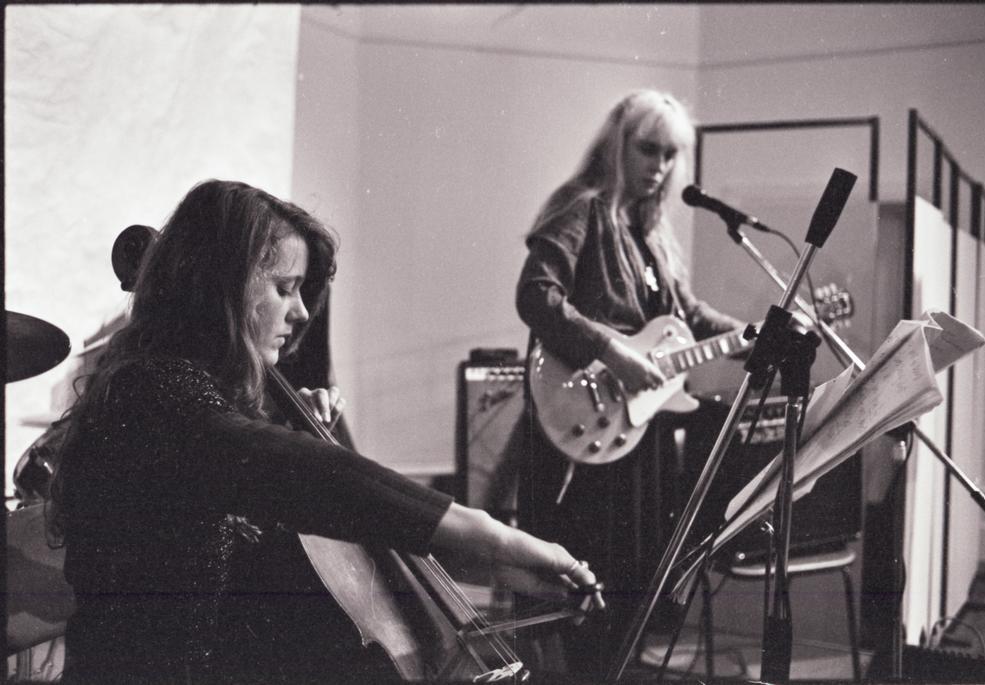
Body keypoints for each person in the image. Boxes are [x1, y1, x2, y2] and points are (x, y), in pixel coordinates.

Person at [48, 179, 603, 683]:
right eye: (285, 288)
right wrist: (495, 536)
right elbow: (296, 473)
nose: (302, 313)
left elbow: (303, 515)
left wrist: (490, 565)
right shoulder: (155, 394)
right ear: (222, 285)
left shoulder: (189, 396)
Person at [515, 89, 744, 676]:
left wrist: (752, 331)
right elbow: (536, 295)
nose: (660, 167)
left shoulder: (653, 233)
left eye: (671, 155)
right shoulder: (579, 206)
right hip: (583, 426)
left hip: (639, 438)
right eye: (649, 150)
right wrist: (612, 351)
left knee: (632, 584)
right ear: (618, 143)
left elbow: (687, 315)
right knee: (581, 585)